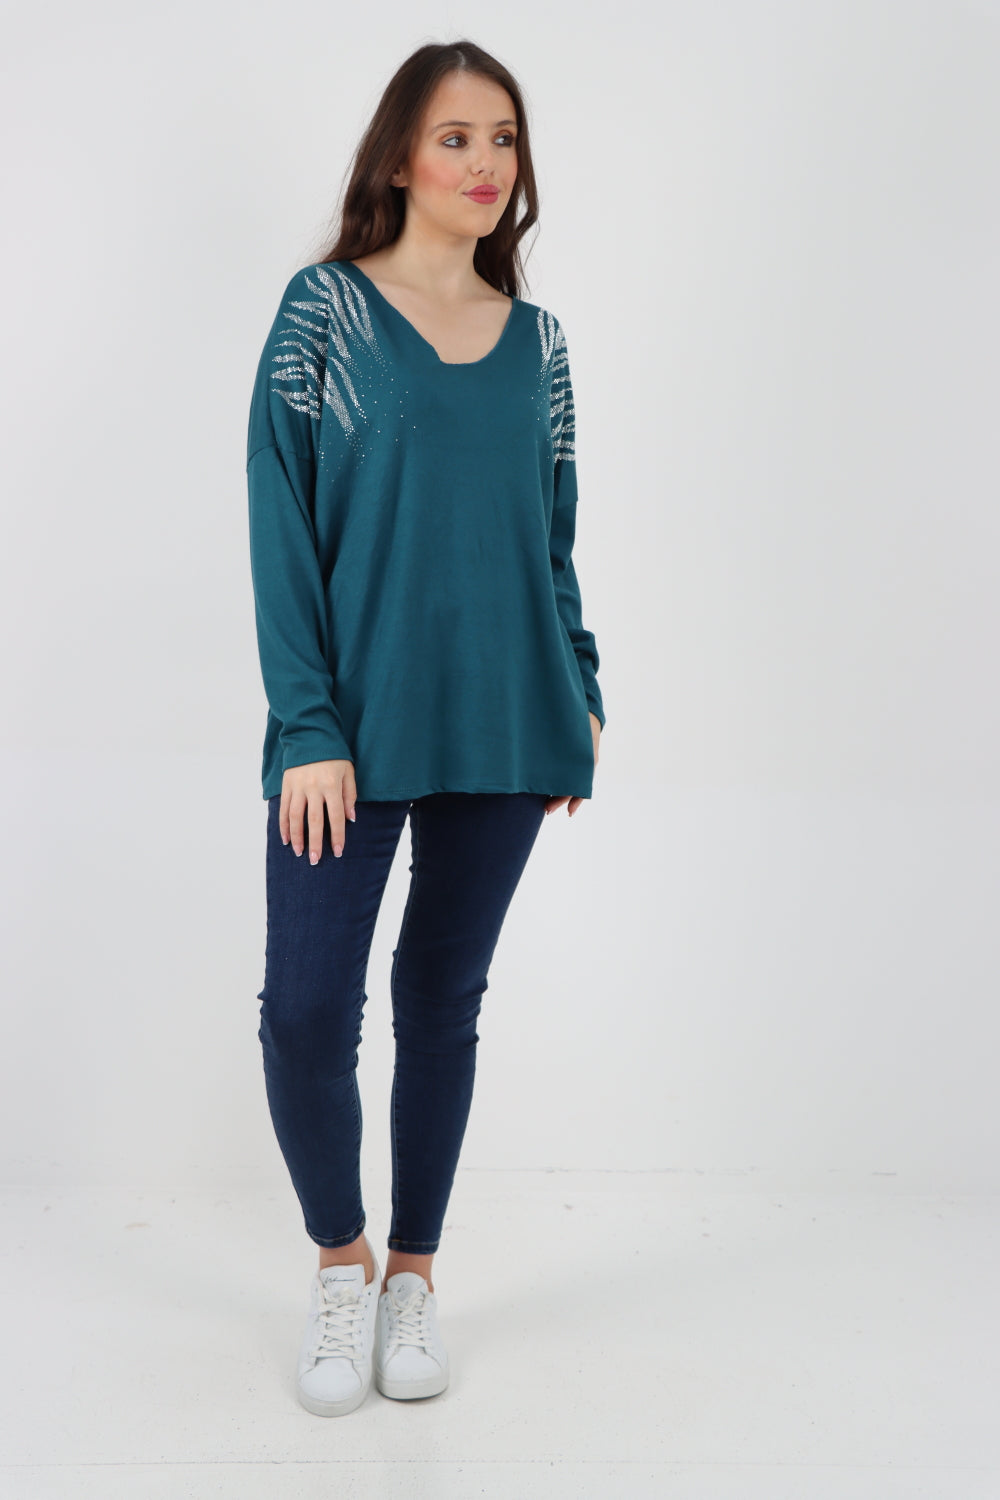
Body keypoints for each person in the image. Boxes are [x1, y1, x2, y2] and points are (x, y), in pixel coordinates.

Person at [246, 38, 606, 1419]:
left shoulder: (541, 345)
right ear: (400, 155)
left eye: (503, 139)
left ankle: (414, 1278)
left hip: (509, 723)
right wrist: (306, 725)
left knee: (441, 1006)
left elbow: (551, 535)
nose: (484, 163)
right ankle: (341, 1261)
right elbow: (280, 517)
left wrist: (579, 684)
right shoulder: (325, 312)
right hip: (348, 729)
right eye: (456, 137)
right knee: (304, 1017)